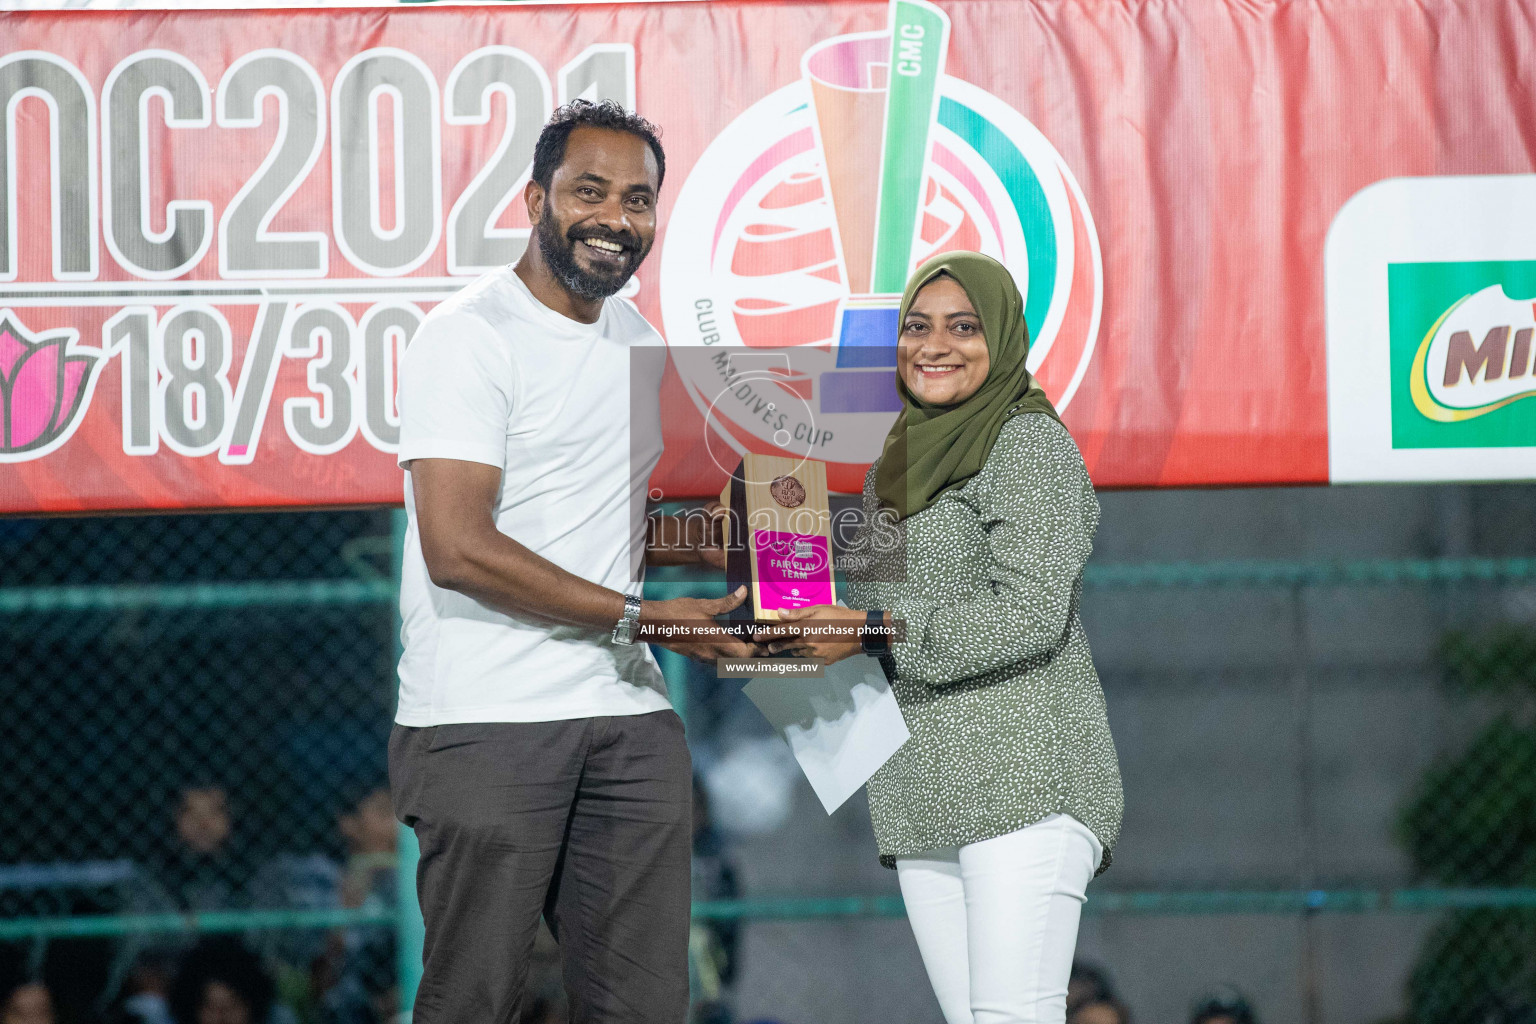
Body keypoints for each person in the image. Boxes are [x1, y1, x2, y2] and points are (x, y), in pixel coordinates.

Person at [390, 98, 755, 1022]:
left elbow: (616, 522)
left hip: (627, 713)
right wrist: (648, 618)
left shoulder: (635, 338)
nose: (615, 219)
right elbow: (458, 548)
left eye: (637, 200)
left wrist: (798, 545)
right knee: (473, 1001)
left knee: (642, 1008)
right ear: (534, 199)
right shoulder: (468, 336)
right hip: (487, 720)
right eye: (589, 191)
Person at [760, 251, 1124, 1024]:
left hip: (1023, 781)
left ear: (1002, 337)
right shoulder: (887, 466)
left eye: (964, 327)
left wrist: (869, 629)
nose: (936, 345)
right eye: (917, 327)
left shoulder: (1027, 445)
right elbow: (865, 614)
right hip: (920, 794)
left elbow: (1028, 613)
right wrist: (772, 623)